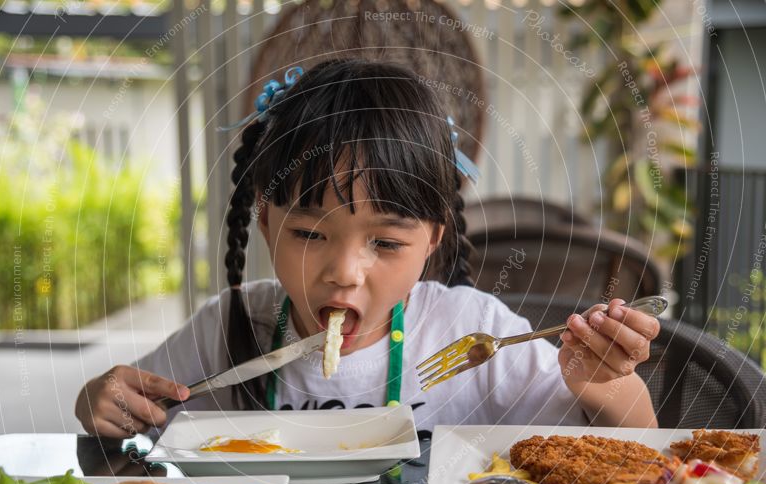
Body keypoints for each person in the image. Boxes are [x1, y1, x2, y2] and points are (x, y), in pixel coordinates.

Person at [75, 59, 660, 439]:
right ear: (262, 217)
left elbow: (629, 453)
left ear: (432, 238)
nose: (344, 273)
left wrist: (605, 386)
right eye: (308, 234)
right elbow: (121, 416)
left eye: (384, 242)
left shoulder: (474, 334)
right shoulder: (225, 330)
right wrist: (99, 402)